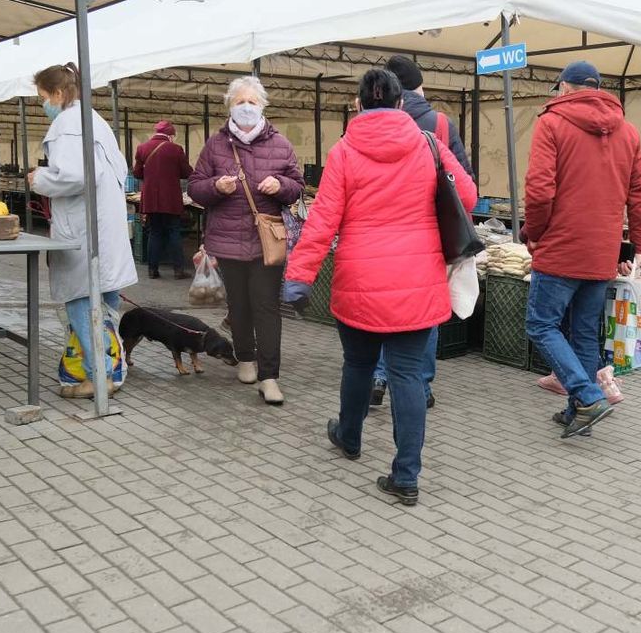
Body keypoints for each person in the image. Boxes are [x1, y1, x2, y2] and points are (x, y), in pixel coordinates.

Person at [283, 68, 477, 506]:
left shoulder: (344, 151)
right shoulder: (430, 145)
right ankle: (406, 474)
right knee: (408, 375)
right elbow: (467, 196)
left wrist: (298, 277)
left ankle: (349, 437)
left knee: (357, 365)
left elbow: (322, 221)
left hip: (360, 282)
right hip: (417, 282)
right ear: (400, 103)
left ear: (358, 105)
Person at [523, 61, 641, 439]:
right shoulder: (627, 132)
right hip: (601, 251)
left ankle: (585, 395)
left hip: (561, 247)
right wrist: (639, 244)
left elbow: (539, 189)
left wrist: (535, 232)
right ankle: (577, 413)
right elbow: (640, 194)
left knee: (541, 324)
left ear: (564, 88)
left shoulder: (551, 123)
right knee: (582, 332)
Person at [363, 55, 475, 409]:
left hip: (375, 238)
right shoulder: (438, 123)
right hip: (427, 238)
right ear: (417, 85)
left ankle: (379, 375)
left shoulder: (362, 125)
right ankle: (419, 385)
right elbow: (466, 188)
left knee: (383, 310)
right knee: (423, 314)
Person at [189, 76, 303, 406]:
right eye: (240, 101)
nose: (247, 107)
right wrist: (215, 187)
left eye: (253, 101)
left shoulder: (281, 144)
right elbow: (195, 187)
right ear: (229, 106)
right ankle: (245, 357)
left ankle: (269, 377)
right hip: (227, 240)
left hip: (266, 242)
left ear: (263, 105)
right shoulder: (215, 145)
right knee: (239, 307)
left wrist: (279, 185)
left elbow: (296, 188)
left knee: (267, 309)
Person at [28, 62, 137, 400]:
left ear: (58, 94)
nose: (43, 104)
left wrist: (39, 178)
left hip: (85, 231)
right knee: (106, 300)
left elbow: (75, 176)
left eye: (43, 97)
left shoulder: (67, 125)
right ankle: (112, 369)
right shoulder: (93, 120)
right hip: (104, 225)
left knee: (79, 300)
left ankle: (99, 375)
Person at [133, 120, 193, 280]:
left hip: (151, 199)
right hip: (171, 199)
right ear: (170, 135)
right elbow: (187, 172)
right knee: (174, 232)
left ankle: (153, 270)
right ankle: (178, 270)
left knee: (155, 232)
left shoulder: (142, 148)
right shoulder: (176, 149)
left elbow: (137, 174)